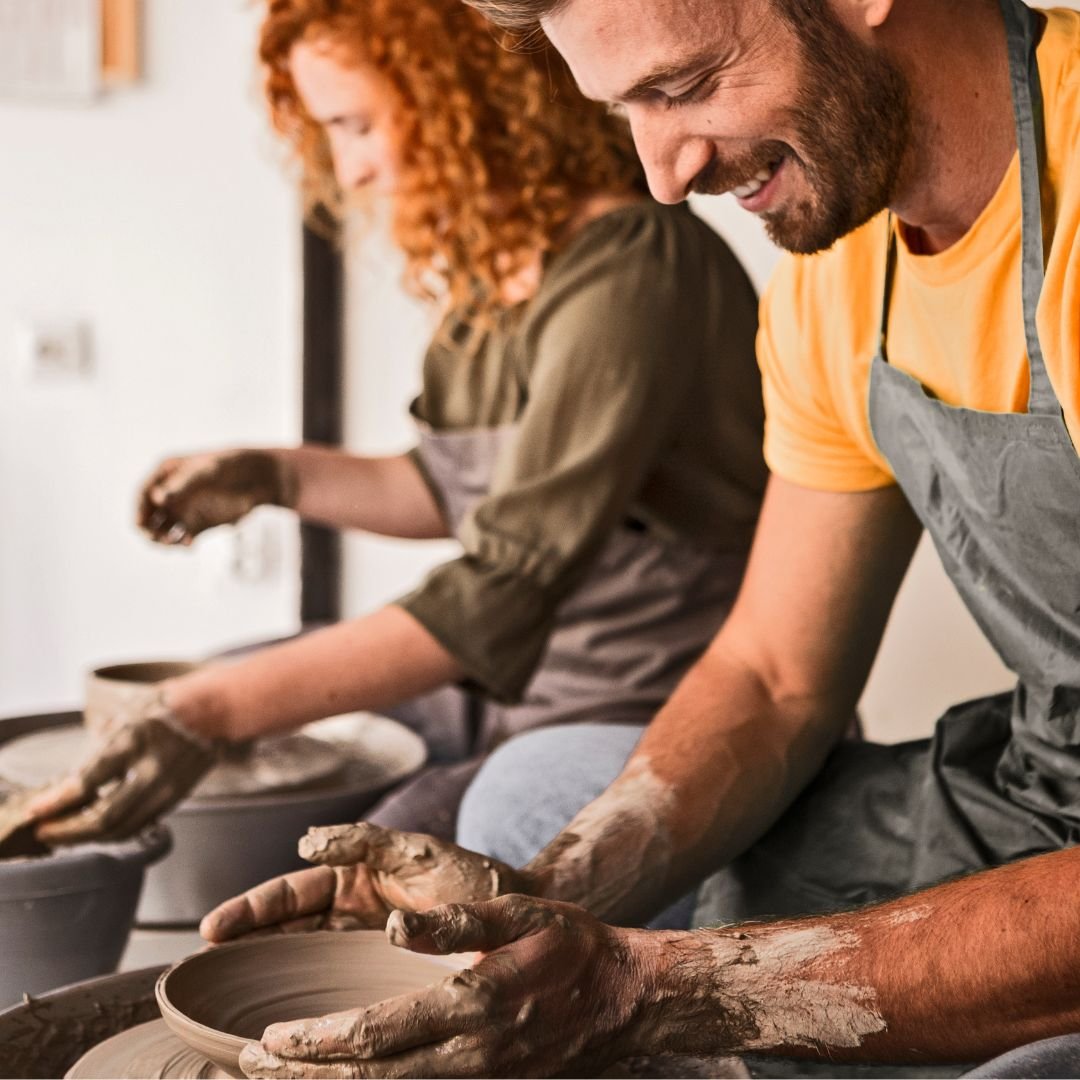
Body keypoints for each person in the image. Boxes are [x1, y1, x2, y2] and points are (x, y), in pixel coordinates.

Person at [200, 0, 1080, 1075]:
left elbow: (507, 581)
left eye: (684, 86)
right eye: (627, 111)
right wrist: (534, 905)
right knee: (543, 798)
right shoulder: (838, 266)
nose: (663, 173)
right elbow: (770, 677)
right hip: (1040, 790)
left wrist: (657, 989)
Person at [19, 0, 765, 846]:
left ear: (465, 94)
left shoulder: (637, 271)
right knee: (225, 684)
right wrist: (272, 475)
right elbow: (443, 489)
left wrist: (211, 713)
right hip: (513, 686)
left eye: (356, 124)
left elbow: (500, 584)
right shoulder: (501, 273)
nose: (351, 170)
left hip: (642, 702)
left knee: (374, 848)